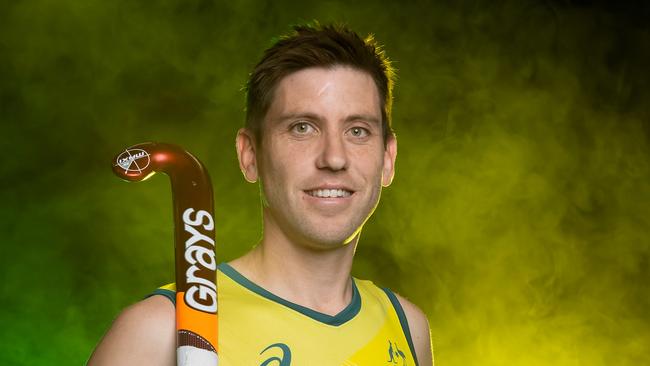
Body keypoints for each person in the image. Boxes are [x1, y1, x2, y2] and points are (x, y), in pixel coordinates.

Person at [88, 22, 433, 365]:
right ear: (249, 154)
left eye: (358, 130)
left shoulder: (407, 327)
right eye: (302, 128)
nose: (334, 157)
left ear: (388, 158)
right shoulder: (160, 331)